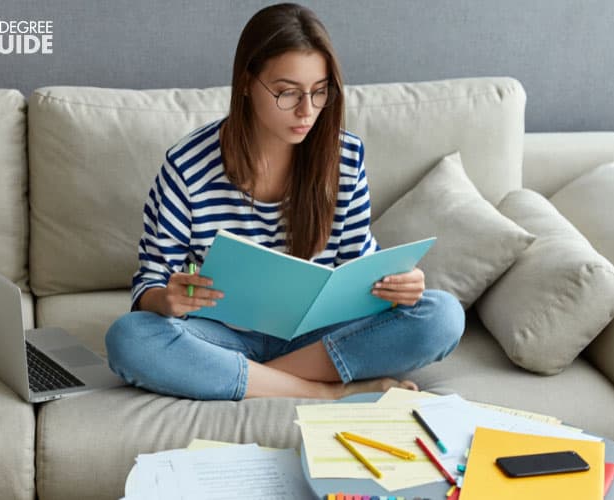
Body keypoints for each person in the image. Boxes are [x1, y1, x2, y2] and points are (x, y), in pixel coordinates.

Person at [105, 3, 464, 401]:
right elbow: (151, 284)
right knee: (130, 338)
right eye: (286, 92)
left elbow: (357, 266)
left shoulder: (344, 158)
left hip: (314, 338)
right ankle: (322, 392)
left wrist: (396, 285)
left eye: (319, 92)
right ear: (246, 82)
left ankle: (254, 380)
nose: (306, 110)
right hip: (220, 337)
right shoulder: (187, 166)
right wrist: (168, 298)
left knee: (442, 315)